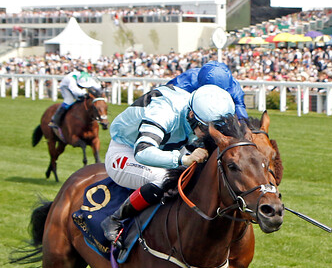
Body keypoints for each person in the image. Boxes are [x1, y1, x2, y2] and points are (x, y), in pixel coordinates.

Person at [100, 84, 235, 242]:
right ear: (191, 115)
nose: (210, 134)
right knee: (164, 178)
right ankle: (115, 220)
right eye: (206, 128)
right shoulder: (165, 112)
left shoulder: (201, 109)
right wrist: (182, 159)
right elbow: (142, 151)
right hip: (127, 149)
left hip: (169, 145)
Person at [166, 61, 248, 120]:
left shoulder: (234, 87)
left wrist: (244, 125)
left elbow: (240, 112)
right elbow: (167, 98)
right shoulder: (188, 79)